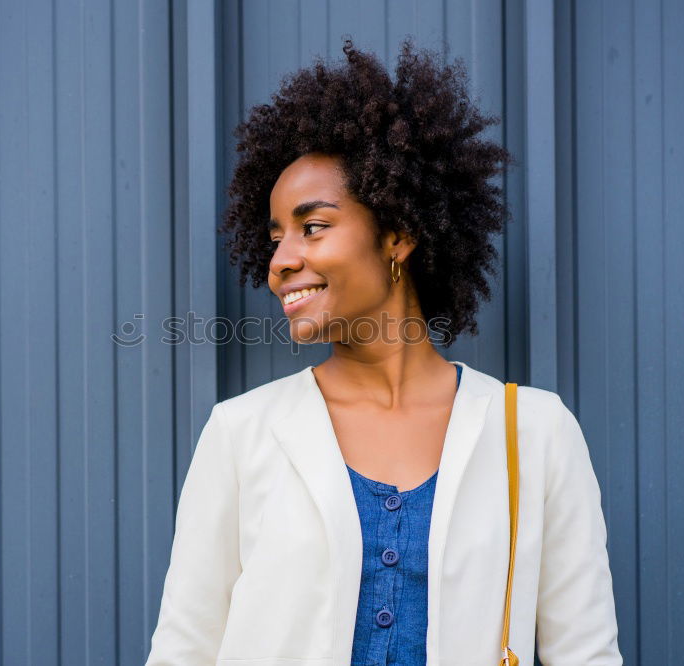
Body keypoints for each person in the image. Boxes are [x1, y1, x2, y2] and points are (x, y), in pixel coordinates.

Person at [145, 37, 622, 665]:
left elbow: (585, 656)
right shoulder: (241, 435)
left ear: (397, 234)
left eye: (313, 227)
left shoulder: (535, 434)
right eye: (275, 236)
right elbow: (184, 652)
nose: (281, 261)